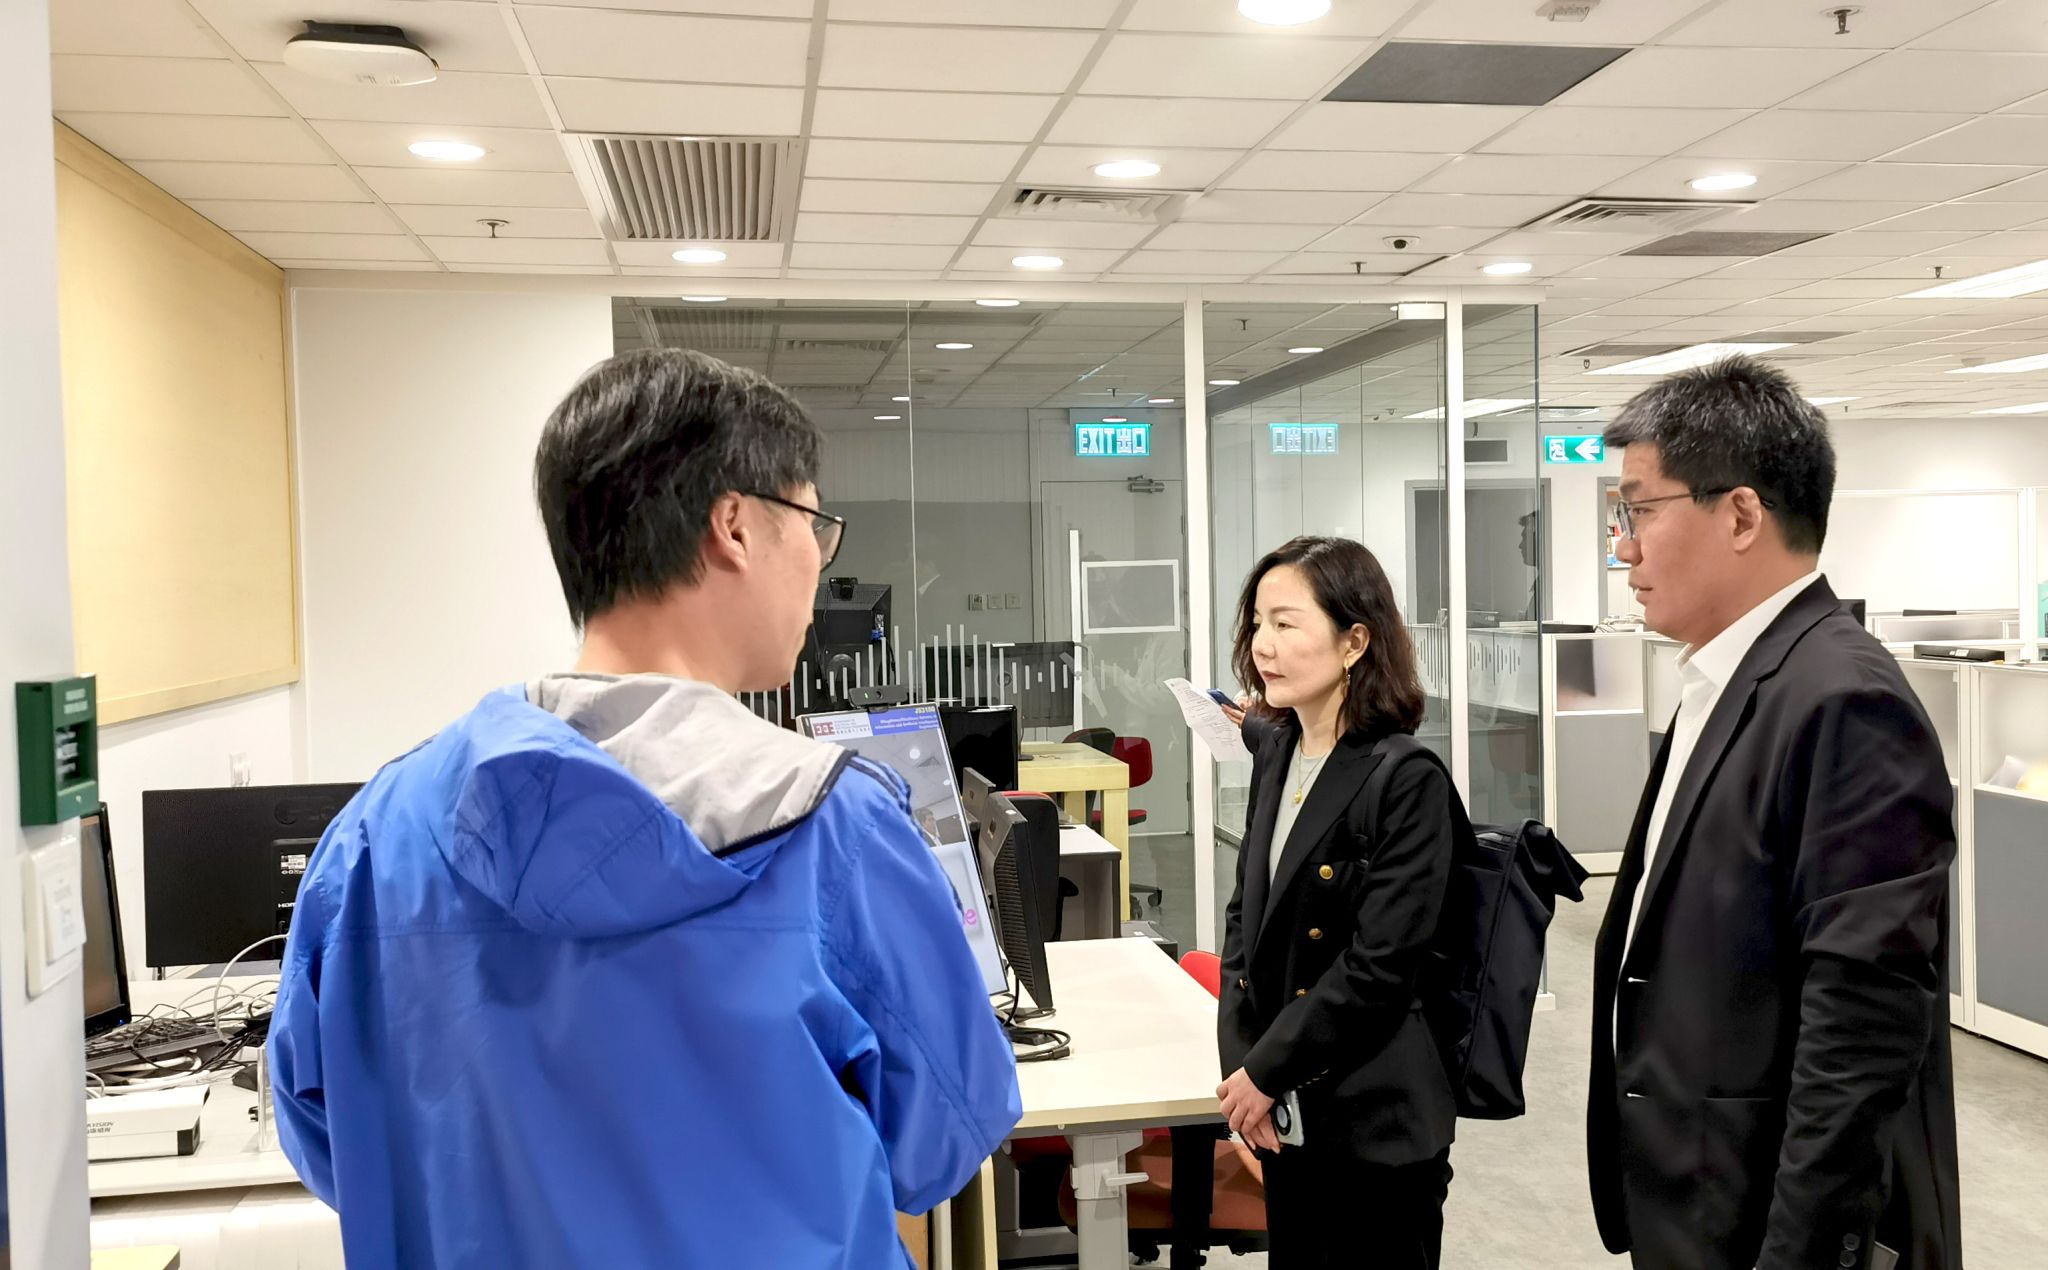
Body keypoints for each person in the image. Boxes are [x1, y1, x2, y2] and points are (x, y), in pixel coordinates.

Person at [268, 349, 1022, 1269]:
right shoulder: (836, 830)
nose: (819, 563)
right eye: (815, 526)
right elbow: (942, 1140)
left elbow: (329, 1140)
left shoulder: (373, 839)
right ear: (734, 526)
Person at [1587, 356, 1961, 1270]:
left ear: (1742, 515)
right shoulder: (1726, 680)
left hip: (1767, 1224)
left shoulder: (1843, 700)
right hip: (1696, 1197)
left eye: (1638, 511)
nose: (1624, 548)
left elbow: (1859, 1033)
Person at [1215, 536, 1467, 1269]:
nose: (1263, 645)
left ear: (1355, 641)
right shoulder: (1280, 751)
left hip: (1373, 1121)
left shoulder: (1406, 778)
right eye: (1256, 624)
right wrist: (1245, 1073)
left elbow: (1378, 967)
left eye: (1285, 624)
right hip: (1288, 1110)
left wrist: (1265, 1073)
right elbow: (1245, 922)